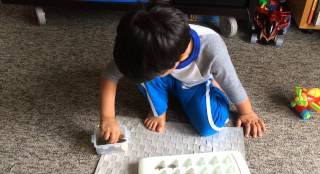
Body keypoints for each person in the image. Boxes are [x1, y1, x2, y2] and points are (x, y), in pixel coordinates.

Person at [100, 6, 266, 144]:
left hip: (195, 83)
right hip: (163, 75)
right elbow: (110, 75)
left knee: (210, 126)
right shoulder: (142, 46)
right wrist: (107, 117)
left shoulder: (212, 49)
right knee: (140, 74)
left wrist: (247, 112)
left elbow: (232, 83)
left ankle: (213, 86)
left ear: (176, 62)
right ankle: (160, 107)